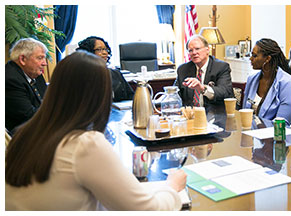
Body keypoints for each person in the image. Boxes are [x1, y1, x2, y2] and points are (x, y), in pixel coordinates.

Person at [5, 51, 187, 211]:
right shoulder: (84, 144)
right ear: (99, 95)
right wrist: (172, 187)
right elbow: (145, 209)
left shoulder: (23, 134)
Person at [242, 38, 291, 125]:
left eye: (254, 56)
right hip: (251, 132)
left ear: (267, 59)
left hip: (277, 136)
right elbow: (245, 113)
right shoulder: (251, 79)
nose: (250, 59)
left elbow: (281, 123)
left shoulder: (288, 84)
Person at [174, 35, 234, 107]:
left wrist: (202, 88)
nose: (194, 53)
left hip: (215, 114)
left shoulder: (221, 67)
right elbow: (175, 93)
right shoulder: (183, 69)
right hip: (190, 115)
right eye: (190, 50)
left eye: (197, 49)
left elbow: (224, 92)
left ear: (207, 49)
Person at [5, 38, 48, 134]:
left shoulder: (35, 72)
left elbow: (47, 100)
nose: (45, 63)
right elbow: (29, 115)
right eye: (40, 58)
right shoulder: (9, 80)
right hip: (22, 135)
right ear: (23, 59)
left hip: (40, 126)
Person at [76, 36, 134, 102]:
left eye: (105, 49)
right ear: (89, 52)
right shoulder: (81, 77)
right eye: (99, 49)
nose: (105, 53)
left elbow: (131, 96)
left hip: (118, 111)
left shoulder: (116, 74)